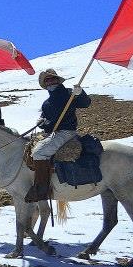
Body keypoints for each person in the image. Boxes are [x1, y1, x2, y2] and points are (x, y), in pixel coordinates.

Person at [27, 69, 91, 203]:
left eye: (52, 79)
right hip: (52, 133)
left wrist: (80, 93)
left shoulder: (69, 94)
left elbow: (86, 103)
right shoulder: (46, 103)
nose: (50, 82)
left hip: (66, 132)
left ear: (57, 80)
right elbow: (46, 121)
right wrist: (42, 122)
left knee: (39, 153)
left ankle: (42, 189)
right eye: (47, 80)